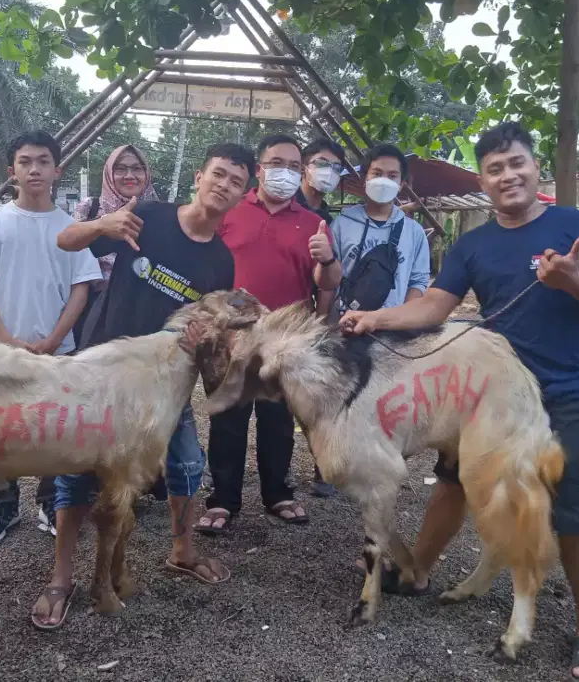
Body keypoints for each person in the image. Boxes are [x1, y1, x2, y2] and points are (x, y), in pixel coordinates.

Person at [340, 121, 579, 681]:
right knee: (452, 480)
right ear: (484, 178)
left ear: (536, 166)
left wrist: (572, 280)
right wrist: (374, 317)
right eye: (495, 168)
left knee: (573, 509)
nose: (508, 175)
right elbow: (433, 307)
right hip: (491, 393)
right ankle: (419, 570)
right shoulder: (473, 243)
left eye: (516, 163)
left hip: (569, 390)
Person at [29, 142, 255, 630]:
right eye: (218, 174)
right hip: (103, 374)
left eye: (236, 181)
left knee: (188, 464)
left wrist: (204, 339)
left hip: (167, 385)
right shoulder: (148, 216)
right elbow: (67, 240)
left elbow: (215, 338)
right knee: (79, 471)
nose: (224, 185)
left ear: (243, 194)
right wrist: (102, 226)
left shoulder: (220, 263)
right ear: (199, 176)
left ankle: (182, 551)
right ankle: (61, 576)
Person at [0, 130, 102, 545]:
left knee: (52, 429)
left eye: (43, 161)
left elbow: (81, 287)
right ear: (12, 171)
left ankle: (48, 500)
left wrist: (56, 338)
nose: (34, 169)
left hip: (59, 351)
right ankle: (3, 505)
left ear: (58, 170)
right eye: (25, 161)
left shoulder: (72, 229)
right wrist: (4, 338)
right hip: (2, 352)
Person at [197, 134, 342, 535]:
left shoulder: (314, 223)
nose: (287, 172)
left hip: (285, 341)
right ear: (259, 169)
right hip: (230, 336)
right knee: (228, 418)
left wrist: (326, 259)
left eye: (295, 167)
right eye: (277, 163)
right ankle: (223, 499)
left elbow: (328, 283)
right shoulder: (229, 210)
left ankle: (277, 493)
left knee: (278, 420)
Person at [70, 144, 168, 503]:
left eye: (137, 168)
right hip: (96, 310)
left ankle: (136, 480)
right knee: (95, 396)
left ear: (147, 174)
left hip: (141, 311)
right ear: (109, 173)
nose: (130, 176)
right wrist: (101, 226)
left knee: (139, 398)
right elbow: (68, 245)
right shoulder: (90, 208)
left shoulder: (160, 213)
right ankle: (85, 484)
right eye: (122, 168)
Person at [294, 137, 349, 497]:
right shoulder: (282, 203)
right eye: (320, 162)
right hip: (277, 312)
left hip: (314, 316)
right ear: (304, 166)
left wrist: (323, 318)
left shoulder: (330, 219)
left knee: (318, 390)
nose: (326, 172)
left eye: (334, 166)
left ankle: (323, 464)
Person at [331, 143, 431, 316]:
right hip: (346, 324)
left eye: (392, 176)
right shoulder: (341, 225)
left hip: (391, 331)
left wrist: (400, 319)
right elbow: (330, 282)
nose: (384, 181)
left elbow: (418, 281)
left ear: (401, 184)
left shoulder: (414, 232)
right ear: (365, 179)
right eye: (377, 174)